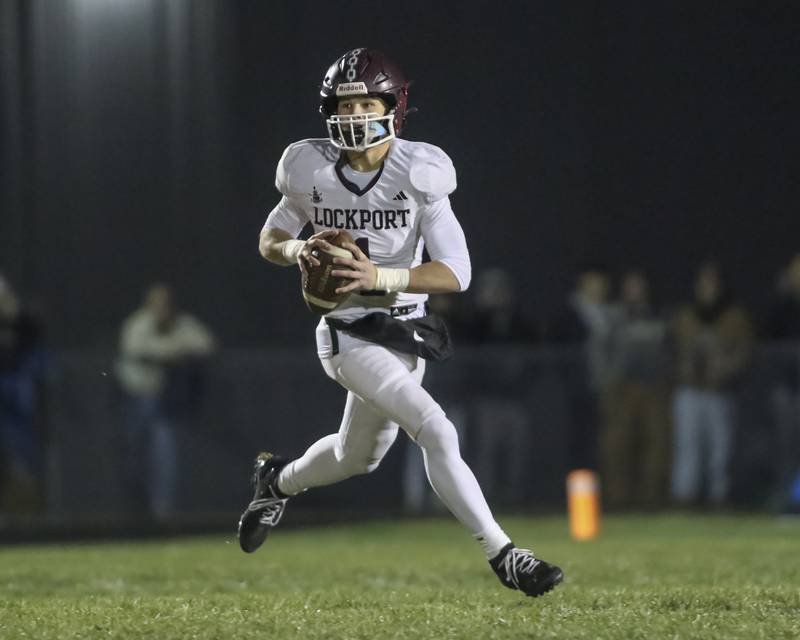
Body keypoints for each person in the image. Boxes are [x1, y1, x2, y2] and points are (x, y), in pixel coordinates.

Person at [237, 48, 562, 598]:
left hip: (404, 331)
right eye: (346, 104)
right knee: (436, 428)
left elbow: (456, 272)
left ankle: (277, 481)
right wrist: (299, 249)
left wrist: (380, 277)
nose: (356, 115)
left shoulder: (420, 170)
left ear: (393, 106)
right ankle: (505, 553)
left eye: (367, 102)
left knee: (355, 457)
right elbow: (270, 238)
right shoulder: (308, 166)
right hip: (345, 332)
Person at [115, 283, 215, 519]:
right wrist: (173, 353)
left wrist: (173, 351)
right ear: (148, 305)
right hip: (134, 399)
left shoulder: (180, 324)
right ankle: (134, 513)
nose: (162, 309)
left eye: (166, 304)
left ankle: (162, 513)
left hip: (163, 404)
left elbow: (206, 343)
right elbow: (138, 350)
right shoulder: (137, 325)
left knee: (164, 455)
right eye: (157, 304)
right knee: (133, 459)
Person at [670, 262, 752, 506]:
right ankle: (684, 497)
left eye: (712, 283)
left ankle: (719, 496)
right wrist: (681, 369)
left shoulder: (734, 316)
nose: (707, 288)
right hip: (689, 389)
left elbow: (744, 353)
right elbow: (669, 349)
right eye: (703, 283)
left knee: (721, 448)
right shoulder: (684, 315)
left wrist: (726, 370)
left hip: (720, 390)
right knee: (687, 447)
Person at [601, 270, 671, 509]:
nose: (635, 291)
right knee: (618, 446)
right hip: (623, 388)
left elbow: (667, 352)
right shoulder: (614, 317)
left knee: (655, 445)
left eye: (639, 286)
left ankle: (650, 498)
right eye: (631, 286)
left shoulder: (658, 316)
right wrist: (607, 384)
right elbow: (605, 352)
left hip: (652, 387)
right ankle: (619, 498)